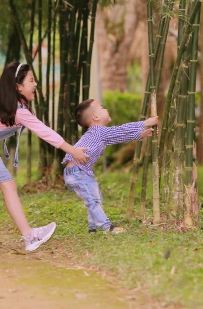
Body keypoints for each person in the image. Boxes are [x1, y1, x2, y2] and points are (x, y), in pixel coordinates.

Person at [0, 62, 91, 252]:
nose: (35, 84)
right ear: (18, 87)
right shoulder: (18, 110)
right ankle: (29, 236)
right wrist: (72, 150)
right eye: (31, 80)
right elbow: (45, 132)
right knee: (8, 185)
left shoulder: (13, 106)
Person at [63, 99, 158, 233]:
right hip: (77, 172)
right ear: (95, 117)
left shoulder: (98, 133)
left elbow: (119, 137)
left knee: (95, 198)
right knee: (92, 200)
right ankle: (107, 227)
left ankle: (93, 227)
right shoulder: (98, 131)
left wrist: (141, 134)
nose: (105, 109)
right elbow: (121, 130)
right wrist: (145, 123)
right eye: (102, 107)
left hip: (78, 172)